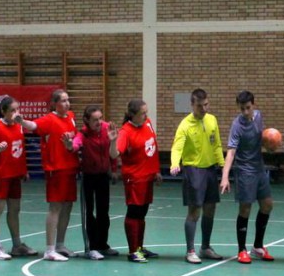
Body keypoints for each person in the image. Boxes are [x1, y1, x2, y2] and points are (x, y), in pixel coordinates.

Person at [22, 89, 80, 260]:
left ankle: (60, 245)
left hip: (70, 167)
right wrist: (21, 121)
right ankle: (49, 249)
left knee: (68, 206)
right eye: (63, 101)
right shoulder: (49, 119)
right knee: (55, 207)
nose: (67, 103)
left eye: (68, 100)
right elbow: (33, 126)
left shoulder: (70, 117)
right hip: (56, 169)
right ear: (54, 104)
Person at [170, 88, 225, 264]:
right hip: (193, 170)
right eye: (200, 106)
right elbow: (177, 147)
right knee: (194, 211)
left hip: (210, 170)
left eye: (206, 105)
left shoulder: (212, 120)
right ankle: (190, 251)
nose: (204, 109)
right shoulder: (185, 125)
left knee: (210, 209)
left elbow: (217, 144)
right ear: (192, 105)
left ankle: (205, 247)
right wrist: (175, 163)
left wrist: (223, 165)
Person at [220, 90, 275, 264]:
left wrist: (270, 145)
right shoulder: (237, 125)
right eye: (242, 108)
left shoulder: (258, 116)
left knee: (267, 205)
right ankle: (242, 250)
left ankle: (258, 247)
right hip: (244, 171)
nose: (245, 111)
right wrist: (225, 177)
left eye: (248, 108)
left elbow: (261, 139)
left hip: (259, 169)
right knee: (245, 209)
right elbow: (231, 152)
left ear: (253, 105)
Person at [0, 97, 35, 261]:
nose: (16, 113)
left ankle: (17, 245)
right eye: (12, 110)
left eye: (17, 109)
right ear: (4, 112)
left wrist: (24, 170)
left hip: (15, 175)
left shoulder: (19, 126)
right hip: (1, 175)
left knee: (15, 209)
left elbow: (20, 149)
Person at [115, 99, 162, 263]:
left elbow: (152, 148)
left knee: (143, 212)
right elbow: (115, 153)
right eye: (142, 113)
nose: (145, 116)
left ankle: (140, 247)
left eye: (146, 112)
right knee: (134, 212)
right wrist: (112, 141)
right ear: (132, 115)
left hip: (148, 176)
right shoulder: (125, 132)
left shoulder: (147, 123)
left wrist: (156, 170)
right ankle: (133, 251)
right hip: (134, 178)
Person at [75, 105, 116, 259]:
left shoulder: (107, 128)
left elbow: (113, 151)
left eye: (100, 118)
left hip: (103, 176)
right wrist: (71, 145)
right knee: (89, 212)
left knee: (103, 212)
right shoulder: (83, 133)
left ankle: (102, 245)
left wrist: (114, 169)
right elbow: (76, 143)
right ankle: (91, 248)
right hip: (88, 176)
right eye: (95, 120)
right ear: (87, 121)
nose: (99, 122)